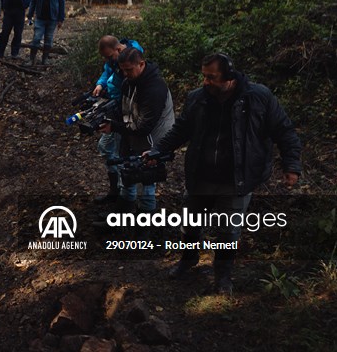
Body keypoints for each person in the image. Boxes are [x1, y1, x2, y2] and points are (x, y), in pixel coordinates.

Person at [146, 53, 302, 295]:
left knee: (227, 230)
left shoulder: (258, 97)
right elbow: (181, 129)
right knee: (189, 223)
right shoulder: (197, 98)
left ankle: (223, 276)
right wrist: (158, 150)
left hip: (236, 177)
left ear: (229, 77)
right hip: (200, 175)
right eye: (204, 76)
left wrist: (291, 165)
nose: (206, 82)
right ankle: (188, 260)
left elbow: (284, 130)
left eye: (212, 77)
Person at [100, 47, 174, 212]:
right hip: (133, 137)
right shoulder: (129, 82)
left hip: (152, 142)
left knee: (146, 186)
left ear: (141, 64)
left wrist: (115, 127)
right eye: (122, 70)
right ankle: (123, 217)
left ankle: (144, 227)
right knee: (128, 177)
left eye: (129, 69)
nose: (125, 73)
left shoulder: (155, 88)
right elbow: (126, 110)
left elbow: (143, 127)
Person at [92, 35, 144, 203]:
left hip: (126, 110)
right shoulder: (114, 60)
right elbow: (107, 71)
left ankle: (124, 193)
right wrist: (101, 84)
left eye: (109, 56)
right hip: (115, 107)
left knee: (122, 151)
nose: (108, 60)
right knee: (106, 147)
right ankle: (115, 190)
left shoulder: (131, 60)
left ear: (119, 49)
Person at [26, 0, 66, 66]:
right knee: (36, 39)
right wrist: (30, 16)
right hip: (40, 18)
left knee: (48, 41)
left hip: (52, 19)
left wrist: (61, 19)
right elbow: (33, 3)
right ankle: (31, 60)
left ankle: (45, 60)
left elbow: (62, 4)